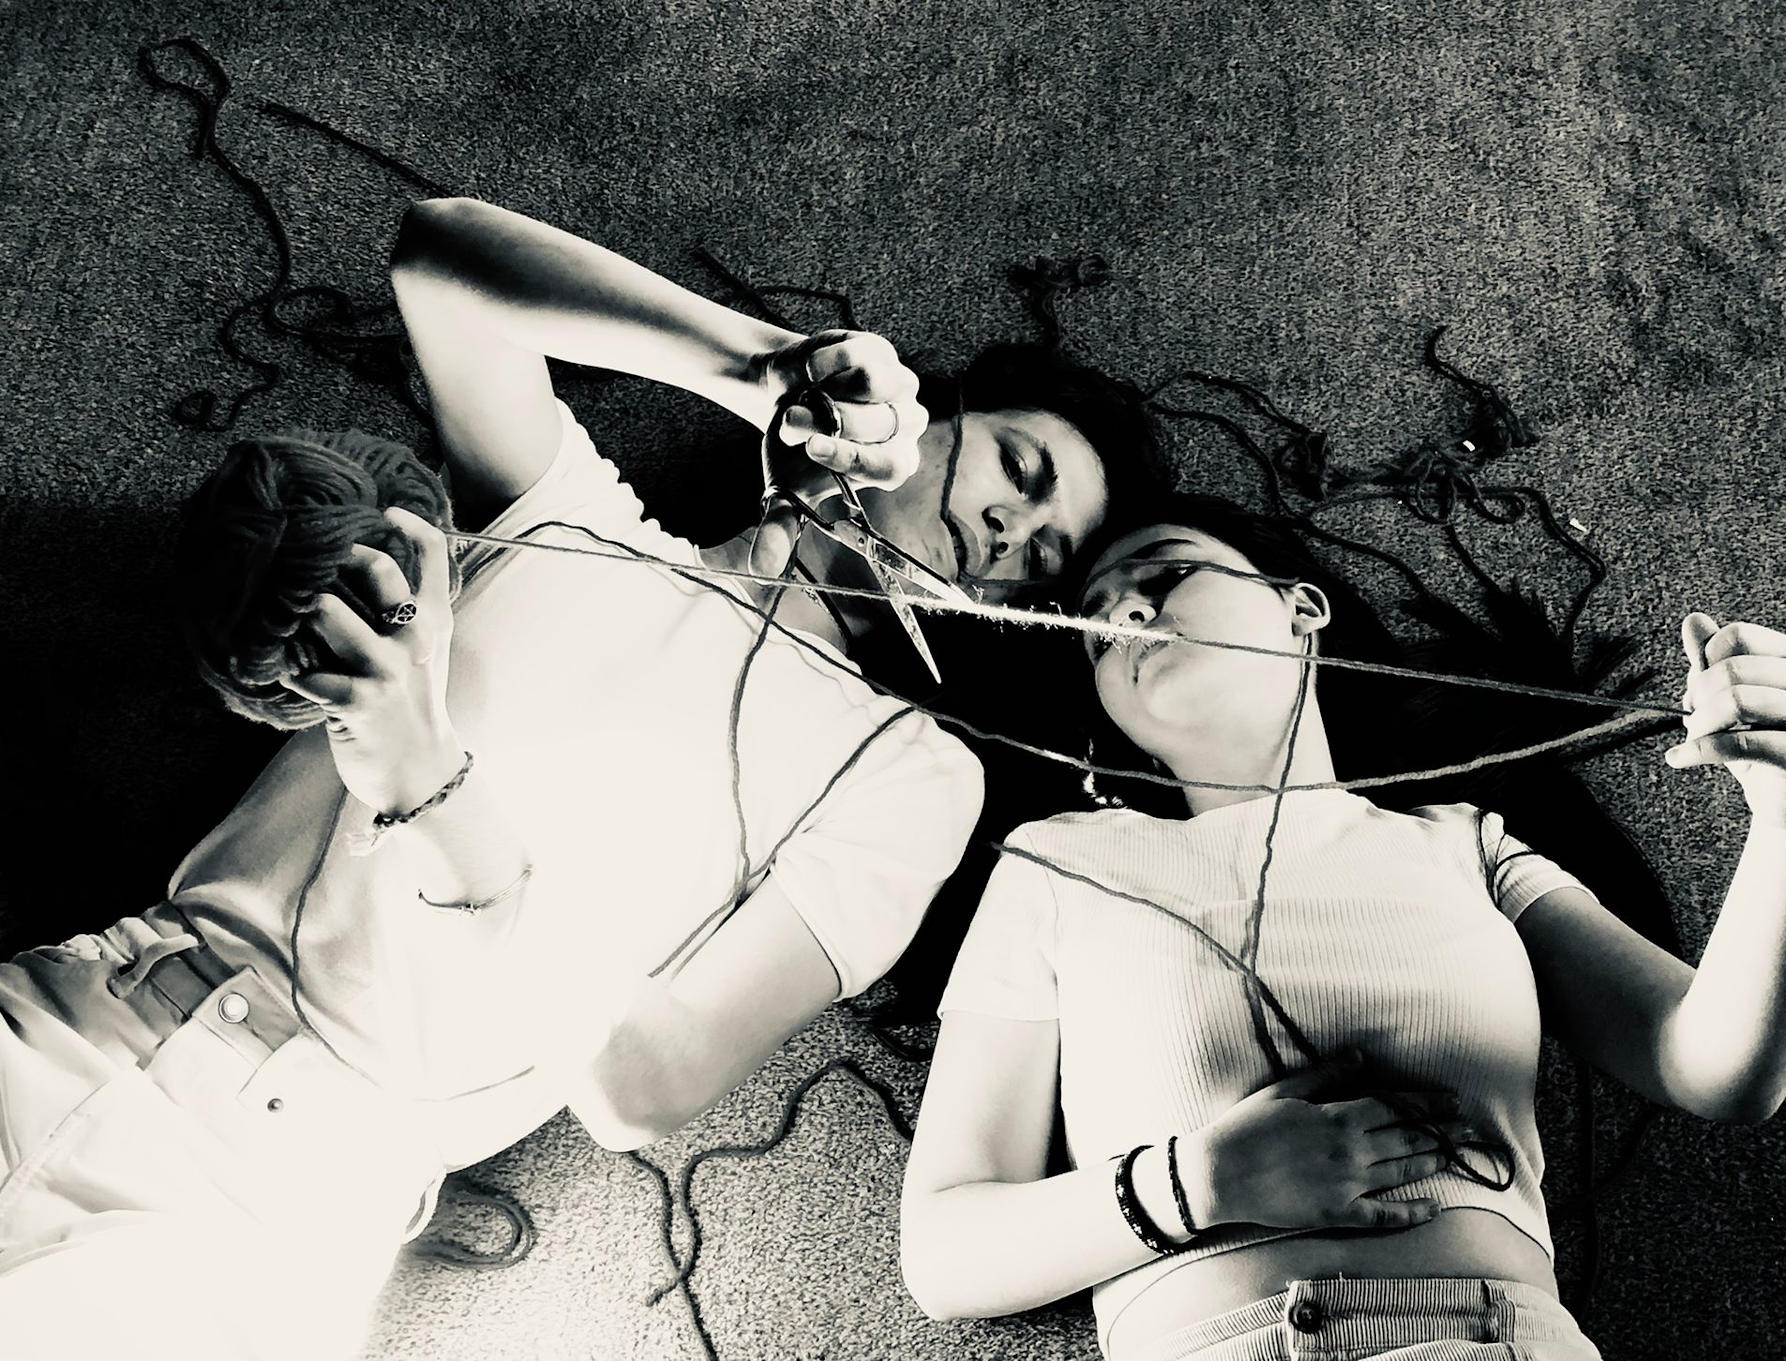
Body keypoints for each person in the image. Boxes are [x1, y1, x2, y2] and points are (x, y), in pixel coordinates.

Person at [0, 198, 1162, 1361]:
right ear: (927, 408)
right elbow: (440, 258)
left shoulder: (906, 772)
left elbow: (646, 1082)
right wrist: (761, 366)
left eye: (1043, 558)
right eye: (1020, 469)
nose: (1011, 530)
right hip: (79, 1022)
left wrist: (432, 785)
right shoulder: (573, 514)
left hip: (277, 1209)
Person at [900, 494, 1786, 1361]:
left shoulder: (1466, 846)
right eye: (1097, 621)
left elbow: (1720, 1069)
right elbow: (944, 1254)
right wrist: (1198, 1182)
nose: (1128, 614)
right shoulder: (1059, 863)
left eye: (1167, 572)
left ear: (1301, 608)